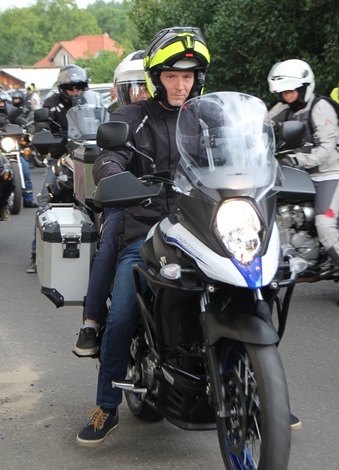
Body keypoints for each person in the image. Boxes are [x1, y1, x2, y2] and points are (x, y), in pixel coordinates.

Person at [75, 28, 210, 446]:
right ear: (157, 77)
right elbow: (109, 156)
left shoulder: (209, 117)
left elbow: (235, 156)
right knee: (122, 317)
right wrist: (114, 174)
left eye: (187, 77)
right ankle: (106, 407)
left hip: (202, 226)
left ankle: (259, 389)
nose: (180, 84)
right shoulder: (133, 118)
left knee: (245, 287)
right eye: (172, 75)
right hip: (148, 228)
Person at [74, 50, 149, 357]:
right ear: (121, 91)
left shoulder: (185, 116)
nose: (141, 93)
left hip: (178, 201)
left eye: (145, 85)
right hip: (128, 199)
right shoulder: (124, 119)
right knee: (110, 240)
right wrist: (116, 176)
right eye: (135, 86)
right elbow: (109, 158)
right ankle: (92, 320)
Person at [268, 59, 339, 306]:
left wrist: (296, 159)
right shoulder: (282, 108)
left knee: (325, 225)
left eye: (290, 90)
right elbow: (261, 127)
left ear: (305, 86)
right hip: (302, 176)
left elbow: (326, 149)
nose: (286, 96)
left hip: (330, 174)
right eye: (282, 92)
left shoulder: (321, 108)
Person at [26, 64, 90, 273]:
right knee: (46, 199)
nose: (75, 92)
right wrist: (49, 137)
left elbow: (103, 122)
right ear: (63, 88)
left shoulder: (91, 103)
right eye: (71, 88)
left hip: (87, 157)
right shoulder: (51, 104)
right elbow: (41, 128)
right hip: (61, 157)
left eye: (79, 87)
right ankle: (36, 255)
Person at [0, 85, 38, 209]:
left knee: (24, 167)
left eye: (2, 101)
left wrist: (28, 126)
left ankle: (28, 198)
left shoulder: (9, 111)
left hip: (9, 148)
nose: (1, 103)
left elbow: (18, 119)